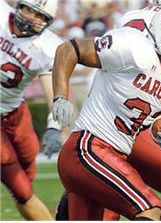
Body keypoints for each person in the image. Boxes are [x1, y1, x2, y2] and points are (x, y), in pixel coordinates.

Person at [55, 0, 161, 221]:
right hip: (88, 147)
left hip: (115, 154)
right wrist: (60, 96)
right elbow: (70, 48)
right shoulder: (135, 49)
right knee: (150, 208)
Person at [0, 0, 63, 220]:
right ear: (20, 6)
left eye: (41, 16)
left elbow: (56, 92)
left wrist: (54, 126)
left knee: (28, 171)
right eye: (31, 10)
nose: (33, 18)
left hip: (16, 114)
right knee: (20, 187)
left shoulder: (48, 47)